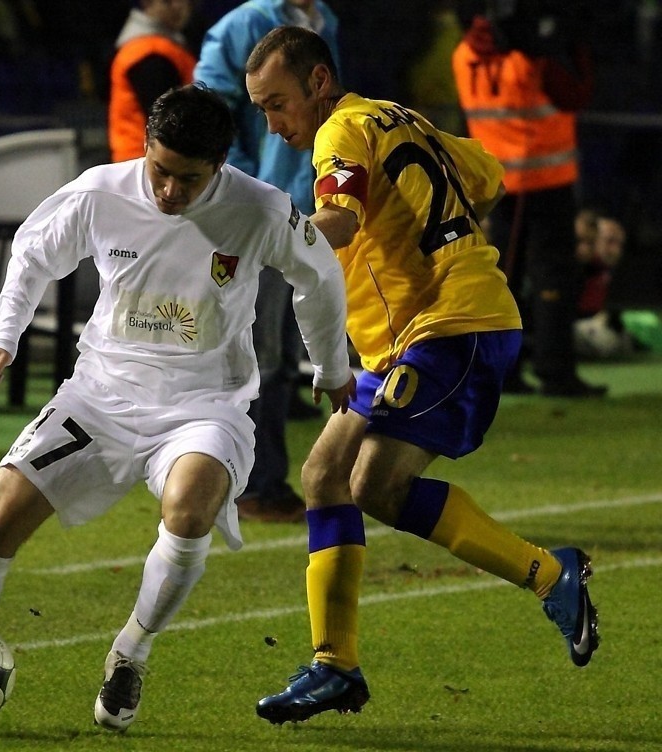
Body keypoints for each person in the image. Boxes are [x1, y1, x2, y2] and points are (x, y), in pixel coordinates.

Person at [0, 83, 354, 731]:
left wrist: (330, 366)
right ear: (144, 149)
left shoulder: (260, 210)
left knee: (191, 509)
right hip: (99, 396)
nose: (169, 191)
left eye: (188, 179)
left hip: (203, 403)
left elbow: (320, 273)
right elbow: (33, 250)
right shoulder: (101, 192)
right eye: (159, 170)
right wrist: (5, 336)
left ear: (220, 166)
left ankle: (130, 653)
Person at [244, 26, 600, 724]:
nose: (273, 122)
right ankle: (335, 668)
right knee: (323, 475)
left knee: (375, 481)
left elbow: (339, 223)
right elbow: (487, 178)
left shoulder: (339, 132)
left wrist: (263, 247)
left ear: (318, 83)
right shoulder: (396, 116)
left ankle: (549, 574)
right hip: (408, 342)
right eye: (260, 109)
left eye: (277, 103)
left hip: (451, 329)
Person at [194, 0, 342, 523]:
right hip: (264, 217)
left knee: (274, 356)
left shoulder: (323, 20)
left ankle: (259, 482)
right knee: (261, 355)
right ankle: (253, 486)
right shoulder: (244, 25)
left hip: (310, 209)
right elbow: (206, 110)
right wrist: (248, 187)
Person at [451, 2, 606, 397]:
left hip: (494, 182)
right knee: (553, 278)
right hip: (541, 179)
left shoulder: (463, 55)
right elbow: (573, 92)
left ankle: (505, 371)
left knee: (504, 282)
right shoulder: (528, 58)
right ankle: (556, 371)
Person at [108, 0, 196, 162]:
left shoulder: (163, 45)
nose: (179, 7)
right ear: (146, 3)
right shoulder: (149, 51)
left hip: (149, 159)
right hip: (149, 162)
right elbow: (167, 117)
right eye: (167, 1)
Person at [574, 211, 634, 359]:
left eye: (620, 244)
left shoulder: (608, 270)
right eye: (609, 241)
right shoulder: (578, 265)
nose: (616, 250)